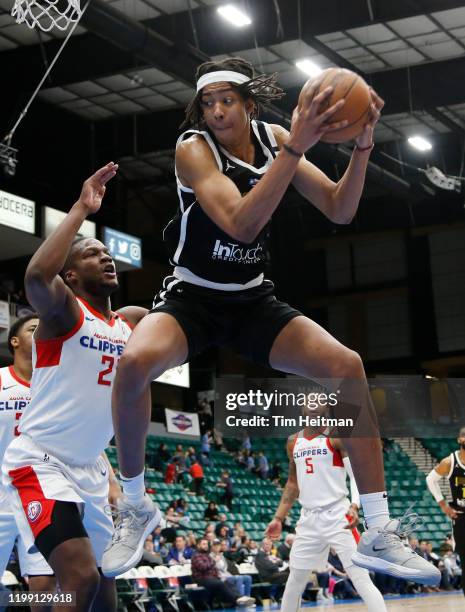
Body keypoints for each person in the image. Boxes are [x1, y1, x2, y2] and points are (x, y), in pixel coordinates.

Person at [103, 56, 437, 584]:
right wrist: (297, 147)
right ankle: (137, 506)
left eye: (226, 100)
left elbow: (339, 208)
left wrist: (363, 146)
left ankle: (377, 529)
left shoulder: (274, 136)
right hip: (194, 297)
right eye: (207, 102)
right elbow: (239, 223)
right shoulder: (193, 149)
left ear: (248, 102)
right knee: (136, 361)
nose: (216, 111)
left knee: (346, 367)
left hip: (253, 300)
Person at [1, 163, 156, 612]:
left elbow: (171, 320)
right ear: (69, 276)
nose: (106, 257)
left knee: (104, 585)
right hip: (40, 462)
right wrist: (81, 210)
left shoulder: (131, 323)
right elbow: (35, 278)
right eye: (91, 254)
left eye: (108, 254)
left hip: (89, 471)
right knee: (78, 577)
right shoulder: (64, 312)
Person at [265, 428, 387, 612]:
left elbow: (356, 474)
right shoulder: (293, 441)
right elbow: (292, 483)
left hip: (338, 514)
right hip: (308, 518)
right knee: (294, 581)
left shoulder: (336, 436)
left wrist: (354, 505)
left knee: (360, 577)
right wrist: (278, 518)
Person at [0, 315, 55, 609]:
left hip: (40, 492)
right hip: (0, 491)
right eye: (34, 329)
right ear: (15, 341)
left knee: (45, 583)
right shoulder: (0, 379)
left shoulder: (57, 386)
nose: (41, 332)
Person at [426, 425, 465, 597]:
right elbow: (430, 479)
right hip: (461, 516)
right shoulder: (450, 462)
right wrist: (443, 505)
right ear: (459, 440)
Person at [190, 538, 254, 607]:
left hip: (211, 578)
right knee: (220, 583)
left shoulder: (206, 555)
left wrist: (218, 575)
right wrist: (214, 561)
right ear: (198, 545)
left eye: (206, 544)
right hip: (202, 578)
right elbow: (203, 567)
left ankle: (241, 597)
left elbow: (213, 569)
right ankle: (236, 600)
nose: (206, 546)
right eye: (203, 544)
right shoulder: (196, 556)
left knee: (227, 583)